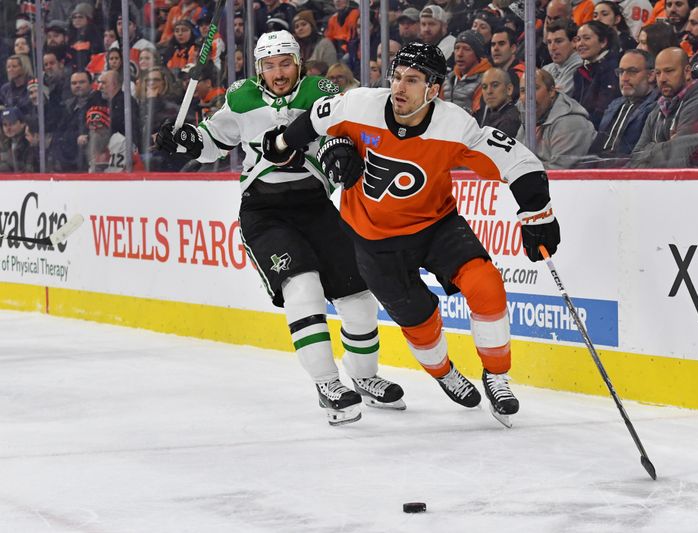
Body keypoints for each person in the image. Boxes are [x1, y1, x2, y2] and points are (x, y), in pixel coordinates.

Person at [264, 42, 562, 427]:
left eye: (413, 80)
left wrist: (537, 211)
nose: (399, 88)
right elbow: (314, 122)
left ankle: (497, 376)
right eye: (397, 77)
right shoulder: (359, 106)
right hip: (373, 241)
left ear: (434, 90)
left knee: (486, 285)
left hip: (437, 225)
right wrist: (285, 144)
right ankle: (444, 373)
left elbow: (518, 160)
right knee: (420, 322)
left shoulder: (455, 126)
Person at [154, 30, 405, 426]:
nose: (278, 72)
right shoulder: (241, 97)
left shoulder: (320, 93)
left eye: (285, 63)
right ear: (259, 69)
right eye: (269, 65)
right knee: (303, 288)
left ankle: (364, 375)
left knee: (358, 295)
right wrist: (185, 139)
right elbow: (212, 142)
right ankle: (327, 384)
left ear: (298, 63)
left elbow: (344, 136)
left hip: (316, 207)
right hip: (265, 211)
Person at [630, 47, 698, 167]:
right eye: (658, 73)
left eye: (669, 71)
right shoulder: (658, 109)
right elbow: (635, 157)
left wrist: (651, 148)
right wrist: (668, 145)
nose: (662, 79)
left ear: (687, 72)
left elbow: (677, 159)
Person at [590, 49, 659, 159]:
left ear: (651, 75)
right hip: (597, 167)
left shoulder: (658, 107)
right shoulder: (614, 105)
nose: (624, 78)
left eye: (632, 71)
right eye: (621, 72)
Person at [533, 69, 596, 168]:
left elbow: (559, 171)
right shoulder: (527, 117)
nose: (528, 96)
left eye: (535, 88)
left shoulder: (571, 123)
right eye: (523, 91)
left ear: (551, 91)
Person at [572, 20, 621, 127]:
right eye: (578, 39)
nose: (580, 44)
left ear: (603, 42)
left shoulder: (612, 69)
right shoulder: (579, 72)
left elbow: (603, 112)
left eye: (587, 38)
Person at [442, 30, 492, 114]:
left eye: (466, 49)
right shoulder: (447, 79)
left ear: (477, 54)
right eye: (457, 48)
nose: (459, 54)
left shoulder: (487, 80)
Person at [473, 67, 521, 136]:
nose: (489, 91)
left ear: (509, 89)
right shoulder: (481, 115)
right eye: (484, 87)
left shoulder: (510, 121)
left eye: (495, 85)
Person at [543, 19, 582, 96]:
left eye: (558, 41)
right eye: (549, 42)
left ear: (574, 42)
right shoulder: (547, 68)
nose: (552, 48)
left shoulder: (579, 66)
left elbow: (558, 99)